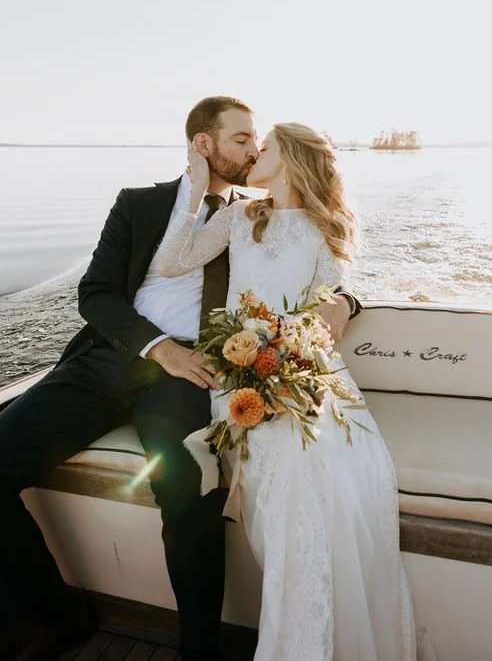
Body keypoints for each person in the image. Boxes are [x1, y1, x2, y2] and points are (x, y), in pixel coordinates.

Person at [0, 97, 361, 661]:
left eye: (257, 141)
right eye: (240, 139)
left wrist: (348, 300)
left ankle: (198, 650)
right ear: (203, 143)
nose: (253, 149)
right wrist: (156, 347)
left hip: (193, 373)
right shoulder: (138, 204)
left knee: (189, 491)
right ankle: (55, 616)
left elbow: (321, 265)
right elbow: (95, 294)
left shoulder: (256, 217)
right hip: (107, 359)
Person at [152, 123, 421, 661]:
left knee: (323, 465)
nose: (254, 153)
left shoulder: (328, 225)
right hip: (238, 370)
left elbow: (330, 301)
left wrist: (328, 320)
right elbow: (172, 261)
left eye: (266, 147)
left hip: (304, 368)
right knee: (289, 472)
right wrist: (198, 185)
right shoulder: (238, 215)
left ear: (292, 159)